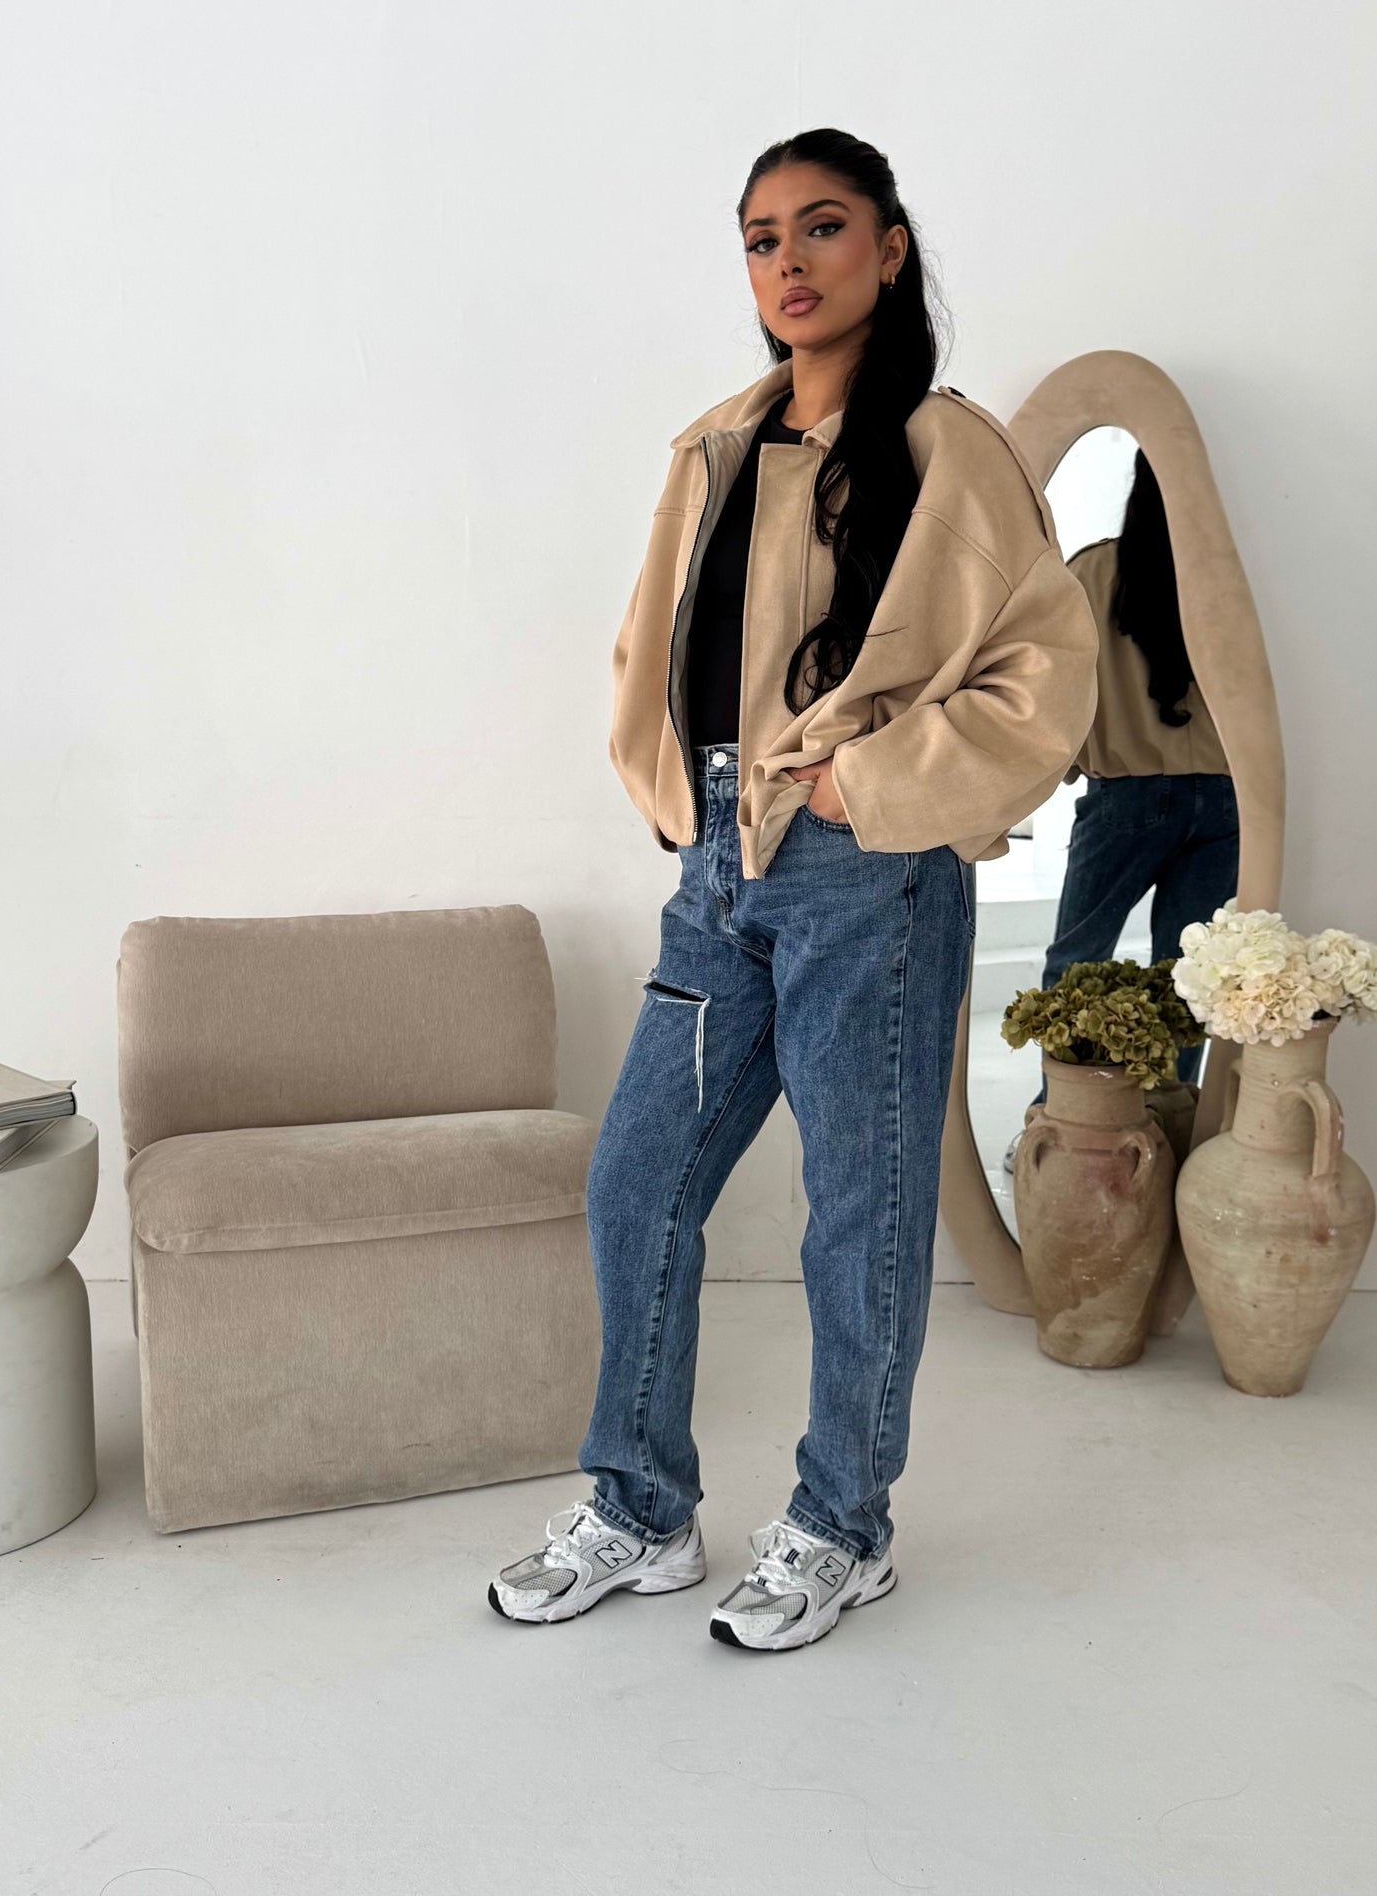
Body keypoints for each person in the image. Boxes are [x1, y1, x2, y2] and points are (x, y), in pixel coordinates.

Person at [487, 128, 1099, 1652]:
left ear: (889, 248)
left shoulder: (944, 450)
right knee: (638, 1181)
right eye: (761, 239)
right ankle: (642, 1508)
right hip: (721, 866)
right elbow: (657, 645)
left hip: (863, 877)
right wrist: (673, 794)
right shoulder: (717, 442)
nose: (788, 262)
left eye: (822, 228)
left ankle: (843, 1527)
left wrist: (859, 786)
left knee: (858, 1215)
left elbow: (1046, 676)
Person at [1004, 450, 1240, 1169]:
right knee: (1187, 972)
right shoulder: (1230, 577)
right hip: (1226, 795)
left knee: (1077, 959)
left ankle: (1061, 1123)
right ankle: (1168, 1124)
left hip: (1128, 793)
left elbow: (1058, 685)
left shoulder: (1094, 571)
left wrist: (1079, 760)